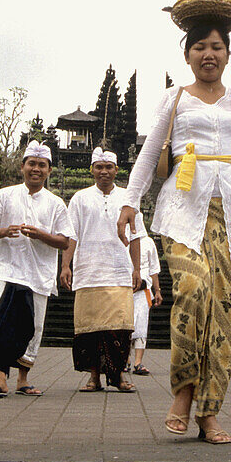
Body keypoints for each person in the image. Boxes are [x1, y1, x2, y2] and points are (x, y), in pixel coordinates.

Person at [119, 3, 231, 444]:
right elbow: (148, 154)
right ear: (187, 55)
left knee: (228, 311)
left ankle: (210, 412)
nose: (208, 54)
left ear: (227, 54)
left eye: (217, 46)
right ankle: (182, 392)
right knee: (192, 291)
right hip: (183, 211)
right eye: (199, 46)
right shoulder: (174, 97)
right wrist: (130, 201)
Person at [0, 141, 73, 398]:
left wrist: (41, 235)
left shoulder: (56, 204)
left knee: (32, 326)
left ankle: (23, 379)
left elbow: (65, 240)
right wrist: (4, 231)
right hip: (9, 270)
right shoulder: (5, 195)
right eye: (32, 164)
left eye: (42, 165)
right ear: (22, 167)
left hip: (38, 274)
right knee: (1, 322)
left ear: (49, 170)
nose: (36, 169)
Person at [62, 148, 143, 392]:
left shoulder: (129, 198)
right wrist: (66, 265)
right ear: (92, 170)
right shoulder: (80, 198)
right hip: (88, 271)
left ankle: (118, 376)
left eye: (109, 167)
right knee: (90, 329)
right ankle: (94, 377)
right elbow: (71, 234)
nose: (104, 171)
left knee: (120, 327)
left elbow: (137, 235)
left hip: (118, 271)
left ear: (117, 170)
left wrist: (137, 268)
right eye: (99, 167)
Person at [129, 212, 163, 376]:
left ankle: (138, 362)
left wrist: (157, 291)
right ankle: (124, 361)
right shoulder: (123, 240)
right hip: (125, 288)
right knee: (125, 325)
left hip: (143, 290)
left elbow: (153, 269)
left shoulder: (149, 243)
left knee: (141, 325)